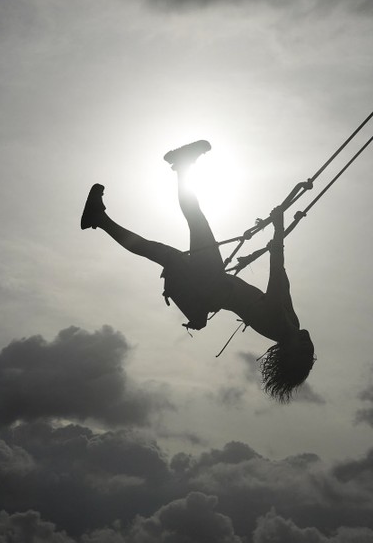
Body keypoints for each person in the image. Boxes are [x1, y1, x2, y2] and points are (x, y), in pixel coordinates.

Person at [80, 140, 315, 401]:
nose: (308, 346)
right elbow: (283, 282)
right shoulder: (292, 323)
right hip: (214, 285)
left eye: (303, 353)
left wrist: (279, 230)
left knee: (192, 221)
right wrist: (274, 238)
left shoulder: (281, 326)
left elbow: (276, 277)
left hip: (212, 283)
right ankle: (99, 219)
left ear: (288, 352)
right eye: (310, 352)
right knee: (158, 250)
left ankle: (181, 166)